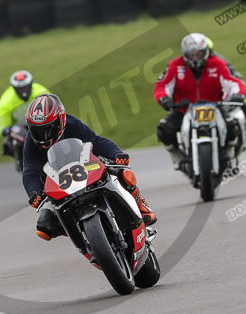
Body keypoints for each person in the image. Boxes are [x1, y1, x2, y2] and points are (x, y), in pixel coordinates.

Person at [21, 93, 156, 241]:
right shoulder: (30, 141)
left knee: (122, 173)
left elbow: (96, 141)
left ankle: (141, 207)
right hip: (58, 181)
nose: (43, 136)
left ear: (60, 121)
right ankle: (81, 239)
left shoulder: (71, 124)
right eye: (36, 130)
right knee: (44, 227)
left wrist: (116, 154)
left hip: (85, 167)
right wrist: (34, 192)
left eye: (48, 128)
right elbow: (30, 170)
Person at [154, 33, 246, 171]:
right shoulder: (175, 66)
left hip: (215, 107)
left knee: (232, 125)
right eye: (191, 54)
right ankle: (177, 156)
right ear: (184, 54)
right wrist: (164, 99)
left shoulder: (217, 64)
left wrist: (238, 94)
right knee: (164, 130)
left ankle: (230, 154)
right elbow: (162, 85)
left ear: (205, 52)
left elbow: (233, 82)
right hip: (184, 109)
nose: (195, 58)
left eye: (199, 54)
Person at [0, 70, 49, 158]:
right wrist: (6, 130)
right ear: (14, 88)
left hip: (41, 123)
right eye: (20, 89)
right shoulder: (5, 102)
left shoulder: (42, 93)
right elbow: (1, 126)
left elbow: (55, 108)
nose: (23, 91)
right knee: (16, 138)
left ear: (31, 85)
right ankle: (22, 163)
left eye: (26, 88)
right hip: (20, 129)